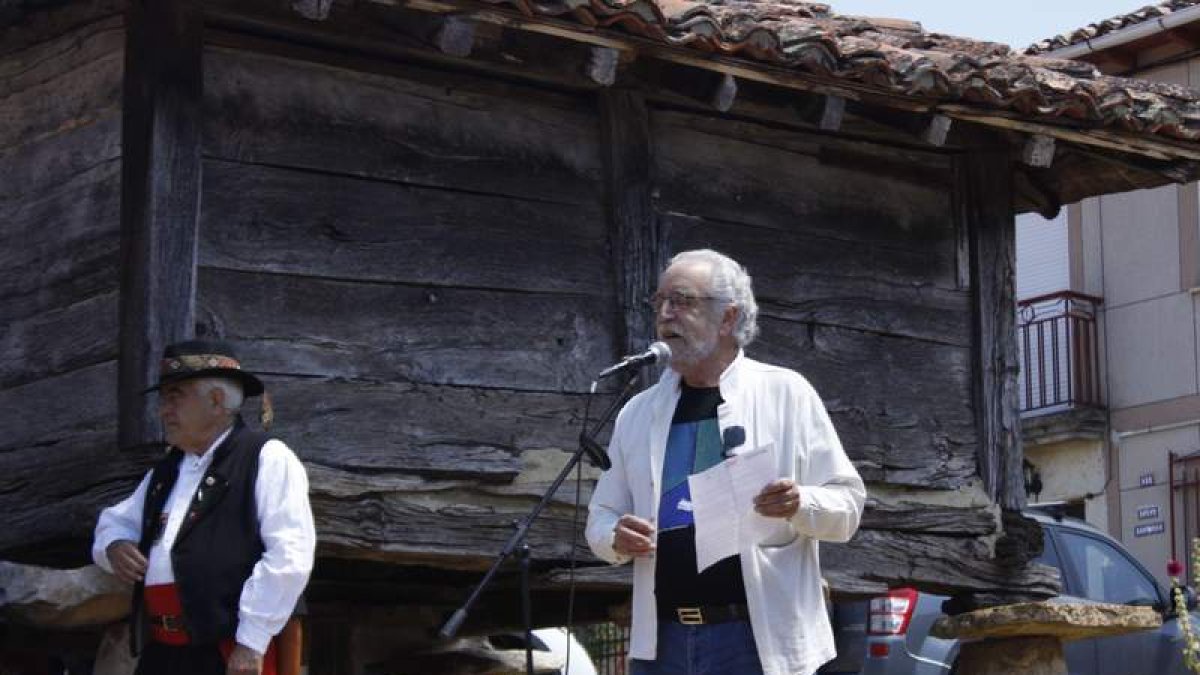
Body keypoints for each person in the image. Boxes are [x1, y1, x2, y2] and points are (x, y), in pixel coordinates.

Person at [586, 250, 866, 675]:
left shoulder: (785, 393)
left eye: (681, 300)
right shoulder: (637, 412)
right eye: (659, 301)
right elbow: (600, 517)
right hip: (662, 643)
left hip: (756, 641)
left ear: (728, 318)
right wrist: (615, 536)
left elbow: (848, 507)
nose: (664, 315)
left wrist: (799, 503)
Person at [93, 340, 316, 675]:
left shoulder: (267, 458)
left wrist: (251, 642)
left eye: (175, 397)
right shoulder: (166, 472)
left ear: (215, 401)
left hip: (228, 650)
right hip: (165, 652)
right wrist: (114, 544)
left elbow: (290, 555)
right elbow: (114, 521)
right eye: (163, 399)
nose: (163, 410)